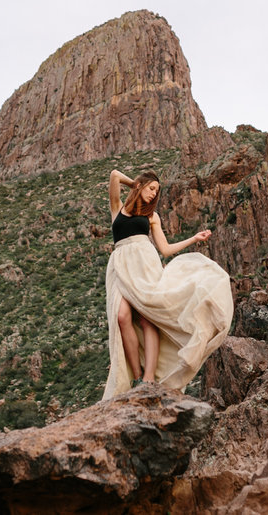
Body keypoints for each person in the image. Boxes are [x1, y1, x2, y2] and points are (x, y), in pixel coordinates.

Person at [102, 168, 234, 399]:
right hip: (121, 267)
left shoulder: (152, 217)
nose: (154, 194)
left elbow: (164, 249)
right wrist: (137, 184)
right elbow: (114, 175)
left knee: (146, 316)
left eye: (157, 191)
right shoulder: (118, 209)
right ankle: (137, 375)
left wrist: (194, 239)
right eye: (152, 189)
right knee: (122, 316)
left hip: (146, 264)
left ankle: (149, 378)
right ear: (141, 186)